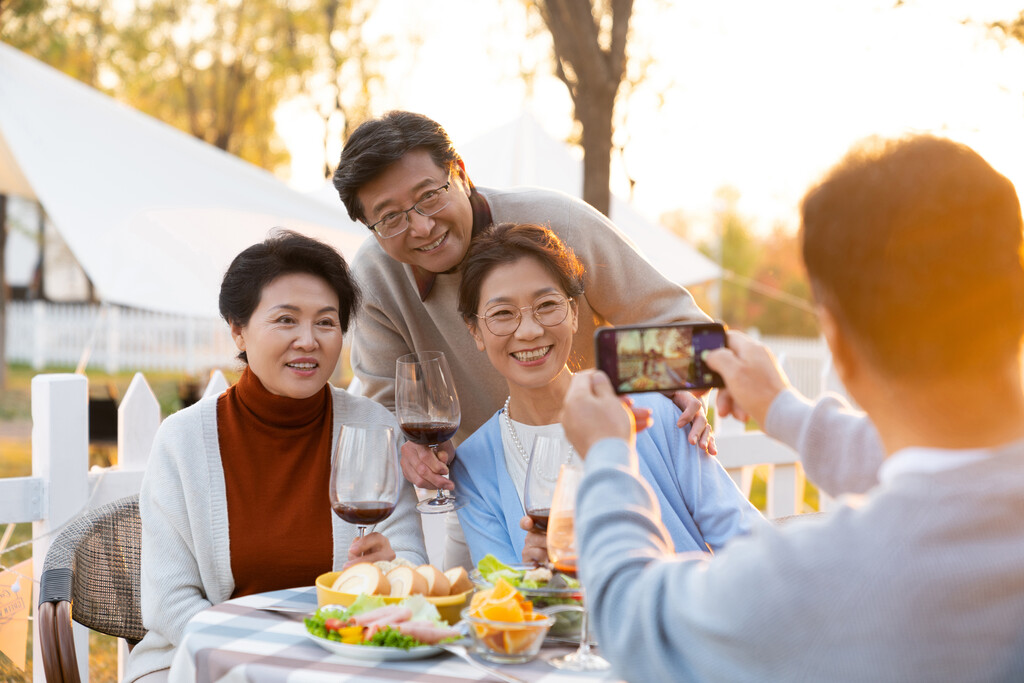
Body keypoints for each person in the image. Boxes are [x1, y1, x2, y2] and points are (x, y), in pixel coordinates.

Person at [563, 135, 1024, 681]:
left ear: (838, 343)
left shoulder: (820, 578)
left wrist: (609, 455)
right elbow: (941, 467)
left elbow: (634, 619)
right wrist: (782, 410)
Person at [333, 110, 714, 567]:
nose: (420, 227)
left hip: (611, 464)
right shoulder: (374, 279)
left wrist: (656, 384)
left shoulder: (559, 223)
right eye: (390, 218)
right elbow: (390, 411)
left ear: (461, 174)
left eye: (429, 196)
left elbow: (694, 339)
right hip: (489, 488)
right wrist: (412, 450)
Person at [125, 231, 427, 683]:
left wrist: (392, 569)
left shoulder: (372, 428)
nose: (308, 340)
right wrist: (267, 663)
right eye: (286, 320)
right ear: (238, 329)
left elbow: (410, 567)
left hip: (344, 661)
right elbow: (171, 601)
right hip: (200, 661)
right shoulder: (183, 439)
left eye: (326, 322)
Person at [450, 223, 763, 566]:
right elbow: (501, 598)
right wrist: (534, 575)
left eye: (547, 305)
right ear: (475, 331)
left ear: (574, 313)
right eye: (502, 314)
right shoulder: (472, 465)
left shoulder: (655, 411)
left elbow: (748, 540)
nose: (530, 330)